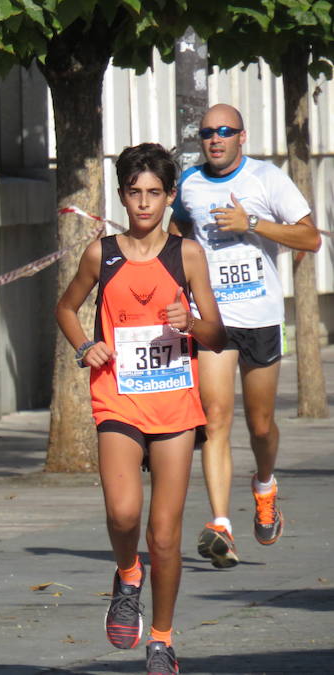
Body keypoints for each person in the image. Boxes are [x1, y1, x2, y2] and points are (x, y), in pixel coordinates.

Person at [56, 143, 226, 674]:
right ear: (123, 196)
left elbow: (218, 333)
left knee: (166, 533)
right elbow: (65, 307)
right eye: (135, 193)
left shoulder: (188, 256)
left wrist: (191, 323)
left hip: (175, 404)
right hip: (119, 398)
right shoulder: (100, 254)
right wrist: (86, 346)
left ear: (171, 197)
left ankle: (161, 639)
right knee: (123, 513)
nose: (145, 204)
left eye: (155, 194)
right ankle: (128, 574)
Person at [169, 104, 320, 569]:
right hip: (212, 318)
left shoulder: (266, 178)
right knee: (214, 419)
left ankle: (265, 485)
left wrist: (250, 224)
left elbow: (310, 238)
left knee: (259, 426)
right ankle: (220, 525)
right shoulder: (190, 185)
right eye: (207, 132)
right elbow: (176, 232)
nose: (215, 139)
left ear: (241, 136)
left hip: (260, 316)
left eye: (224, 132)